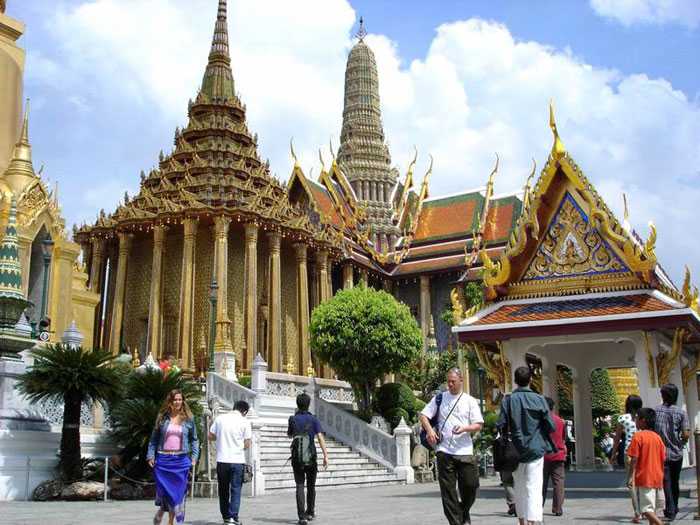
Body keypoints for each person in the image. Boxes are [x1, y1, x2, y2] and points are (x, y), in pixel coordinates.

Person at [419, 367, 483, 525]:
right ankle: (456, 522)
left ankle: (464, 511)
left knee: (471, 486)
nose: (450, 385)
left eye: (453, 382)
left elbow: (478, 424)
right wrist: (430, 432)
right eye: (448, 381)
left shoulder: (470, 401)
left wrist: (465, 428)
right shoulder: (440, 398)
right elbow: (423, 415)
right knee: (448, 492)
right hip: (444, 451)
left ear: (461, 381)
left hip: (465, 451)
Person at [497, 366, 555, 525]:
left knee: (520, 487)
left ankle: (522, 520)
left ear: (515, 381)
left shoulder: (508, 400)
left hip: (514, 451)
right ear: (530, 380)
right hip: (535, 449)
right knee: (534, 487)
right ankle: (533, 521)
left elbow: (500, 424)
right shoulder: (540, 399)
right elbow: (550, 426)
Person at [147, 389, 199, 525]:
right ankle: (161, 513)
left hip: (181, 460)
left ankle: (174, 521)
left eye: (180, 400)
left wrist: (194, 456)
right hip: (163, 460)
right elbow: (154, 439)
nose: (177, 402)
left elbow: (194, 439)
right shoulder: (162, 418)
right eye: (175, 399)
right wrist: (150, 455)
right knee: (166, 492)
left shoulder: (189, 419)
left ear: (183, 401)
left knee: (178, 493)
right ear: (170, 401)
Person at [287, 393, 329, 525]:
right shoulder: (313, 419)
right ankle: (310, 512)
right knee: (311, 486)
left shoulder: (292, 419)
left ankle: (301, 517)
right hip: (311, 457)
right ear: (308, 404)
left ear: (297, 404)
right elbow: (320, 437)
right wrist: (326, 455)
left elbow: (290, 435)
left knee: (300, 485)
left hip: (297, 458)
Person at [209, 400, 252, 525]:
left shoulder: (220, 419)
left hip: (222, 460)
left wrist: (221, 440)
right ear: (244, 411)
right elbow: (247, 443)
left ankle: (226, 517)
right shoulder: (245, 421)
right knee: (236, 489)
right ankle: (233, 517)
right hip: (237, 460)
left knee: (223, 490)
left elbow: (210, 435)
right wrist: (239, 447)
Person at [655, 383, 690, 521]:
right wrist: (681, 442)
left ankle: (670, 509)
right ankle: (674, 506)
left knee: (666, 482)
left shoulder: (656, 411)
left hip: (661, 453)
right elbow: (686, 434)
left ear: (663, 396)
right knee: (674, 481)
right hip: (676, 453)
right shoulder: (681, 412)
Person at [627, 407, 666, 525]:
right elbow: (663, 457)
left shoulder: (638, 436)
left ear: (643, 420)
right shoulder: (658, 438)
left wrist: (630, 476)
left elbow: (634, 458)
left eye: (637, 418)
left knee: (646, 509)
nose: (635, 421)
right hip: (658, 477)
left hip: (645, 477)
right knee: (653, 509)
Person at [611, 394, 643, 523]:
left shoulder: (623, 418)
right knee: (642, 482)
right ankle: (645, 509)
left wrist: (613, 454)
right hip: (643, 451)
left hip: (629, 452)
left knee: (631, 483)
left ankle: (637, 512)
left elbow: (617, 438)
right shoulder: (643, 417)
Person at [542, 397, 566, 517]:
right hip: (558, 454)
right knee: (558, 483)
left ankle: (538, 506)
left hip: (544, 455)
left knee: (542, 483)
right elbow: (563, 438)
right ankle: (558, 508)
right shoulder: (560, 421)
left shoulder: (541, 421)